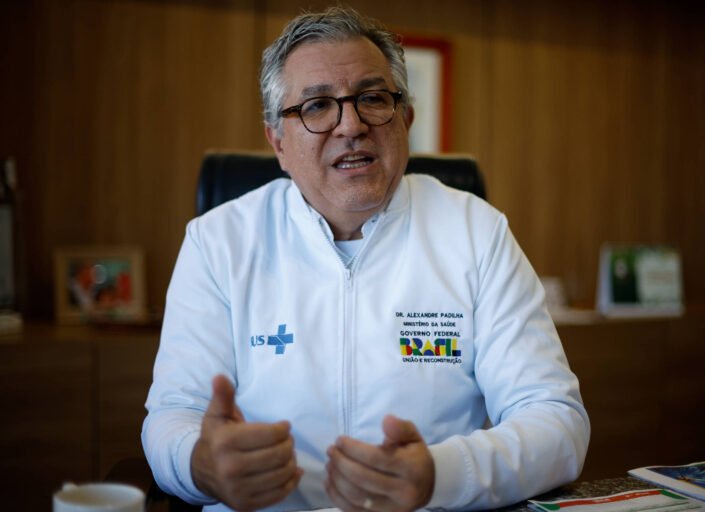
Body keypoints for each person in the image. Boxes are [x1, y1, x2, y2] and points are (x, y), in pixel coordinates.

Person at [142, 6, 590, 512]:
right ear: (278, 142)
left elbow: (556, 421)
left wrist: (440, 475)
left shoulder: (476, 233)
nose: (351, 125)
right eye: (317, 106)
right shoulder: (218, 242)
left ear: (406, 120)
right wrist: (200, 463)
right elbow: (173, 416)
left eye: (373, 98)